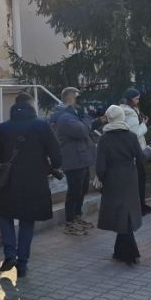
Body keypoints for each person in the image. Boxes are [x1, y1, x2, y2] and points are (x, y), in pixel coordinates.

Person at [0, 93, 62, 278]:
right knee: (27, 220)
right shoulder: (41, 125)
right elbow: (56, 156)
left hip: (10, 181)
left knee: (4, 214)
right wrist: (51, 166)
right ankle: (22, 264)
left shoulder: (4, 127)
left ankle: (9, 255)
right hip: (34, 181)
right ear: (31, 105)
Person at [95, 105, 145, 265]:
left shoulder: (104, 139)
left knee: (120, 214)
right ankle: (127, 254)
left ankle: (127, 254)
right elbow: (140, 158)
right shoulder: (131, 136)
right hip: (129, 177)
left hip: (112, 179)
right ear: (122, 117)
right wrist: (149, 151)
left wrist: (102, 180)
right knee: (126, 213)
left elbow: (100, 167)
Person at [53, 87, 97, 236]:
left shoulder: (73, 114)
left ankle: (77, 217)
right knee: (74, 192)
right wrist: (87, 116)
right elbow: (81, 131)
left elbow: (85, 129)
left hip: (81, 158)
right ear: (71, 98)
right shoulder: (64, 117)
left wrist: (94, 120)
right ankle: (69, 223)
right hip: (73, 159)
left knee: (82, 190)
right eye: (78, 98)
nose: (80, 101)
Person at [120, 88, 151, 215]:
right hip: (135, 150)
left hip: (129, 151)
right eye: (136, 98)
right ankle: (140, 207)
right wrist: (144, 125)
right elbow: (134, 134)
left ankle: (140, 205)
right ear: (130, 99)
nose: (138, 101)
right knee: (139, 179)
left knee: (138, 179)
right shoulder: (130, 113)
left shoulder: (123, 110)